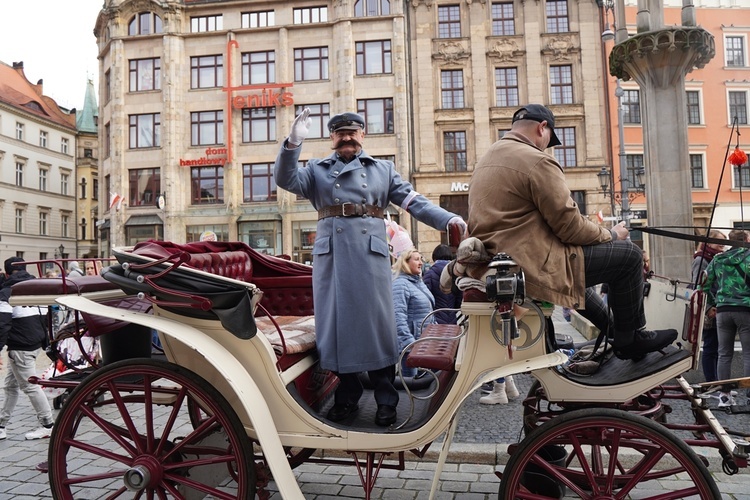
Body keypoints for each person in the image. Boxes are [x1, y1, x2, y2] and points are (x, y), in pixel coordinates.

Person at [275, 109, 466, 426]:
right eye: (340, 133)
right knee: (338, 330)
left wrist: (449, 220)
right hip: (333, 259)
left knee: (378, 328)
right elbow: (285, 179)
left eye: (352, 132)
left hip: (370, 257)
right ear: (332, 138)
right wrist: (293, 142)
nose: (347, 137)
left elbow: (414, 202)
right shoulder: (316, 171)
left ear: (362, 135)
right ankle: (347, 398)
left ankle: (386, 400)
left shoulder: (382, 170)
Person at [468, 104, 677, 360]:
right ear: (542, 128)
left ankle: (615, 333)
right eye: (549, 139)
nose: (547, 146)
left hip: (505, 263)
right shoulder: (536, 159)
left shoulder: (488, 158)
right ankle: (631, 337)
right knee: (629, 256)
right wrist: (610, 234)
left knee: (575, 273)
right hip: (529, 267)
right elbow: (570, 227)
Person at [0, 257, 54, 440]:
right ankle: (1, 424)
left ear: (7, 273)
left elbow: (3, 324)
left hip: (21, 346)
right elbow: (47, 317)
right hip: (34, 342)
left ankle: (48, 424)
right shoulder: (36, 287)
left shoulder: (7, 291)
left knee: (30, 386)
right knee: (10, 385)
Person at [702, 229, 750, 407]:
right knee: (749, 354)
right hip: (746, 309)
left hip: (722, 311)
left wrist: (713, 304)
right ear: (746, 239)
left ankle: (724, 396)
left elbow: (703, 285)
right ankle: (749, 396)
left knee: (723, 354)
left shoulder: (718, 259)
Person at [691, 229, 727, 387]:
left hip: (716, 308)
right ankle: (711, 382)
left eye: (723, 244)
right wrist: (709, 307)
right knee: (711, 347)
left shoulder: (715, 258)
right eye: (719, 243)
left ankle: (716, 382)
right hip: (709, 310)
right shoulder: (701, 260)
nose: (722, 247)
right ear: (709, 243)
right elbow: (698, 284)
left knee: (717, 347)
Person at [392, 249, 435, 377]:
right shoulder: (400, 284)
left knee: (421, 384)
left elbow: (429, 310)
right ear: (405, 262)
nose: (421, 262)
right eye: (416, 259)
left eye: (421, 259)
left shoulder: (416, 281)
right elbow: (398, 317)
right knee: (410, 386)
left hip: (423, 345)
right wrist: (409, 343)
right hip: (412, 347)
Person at [423, 244, 462, 325]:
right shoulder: (456, 274)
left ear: (434, 257)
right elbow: (459, 297)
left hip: (436, 319)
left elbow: (426, 299)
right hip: (452, 318)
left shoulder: (429, 274)